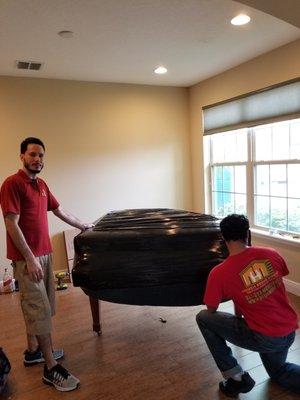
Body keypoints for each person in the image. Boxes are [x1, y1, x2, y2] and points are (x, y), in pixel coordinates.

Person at [0, 137, 94, 392]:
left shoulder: (41, 185)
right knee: (38, 310)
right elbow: (11, 223)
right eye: (32, 154)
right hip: (27, 258)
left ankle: (33, 351)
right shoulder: (12, 183)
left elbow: (60, 210)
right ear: (22, 156)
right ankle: (50, 367)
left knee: (42, 306)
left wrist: (82, 225)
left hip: (45, 254)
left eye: (41, 155)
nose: (37, 159)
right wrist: (29, 258)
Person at [196, 214, 300, 397]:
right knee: (279, 372)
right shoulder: (271, 254)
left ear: (223, 238)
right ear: (248, 233)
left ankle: (236, 378)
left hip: (266, 338)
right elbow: (269, 284)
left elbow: (211, 311)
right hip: (289, 331)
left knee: (203, 318)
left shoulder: (219, 273)